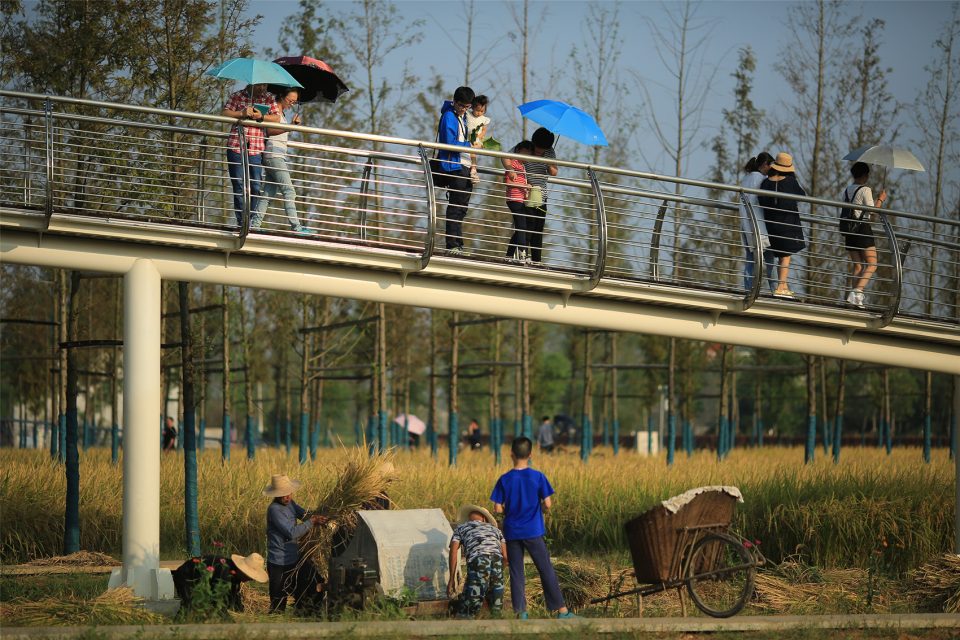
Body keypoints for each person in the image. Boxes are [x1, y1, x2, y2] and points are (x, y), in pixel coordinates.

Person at [490, 437, 575, 619]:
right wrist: (541, 510)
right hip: (533, 530)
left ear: (511, 454)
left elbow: (497, 508)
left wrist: (509, 511)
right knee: (545, 569)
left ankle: (521, 613)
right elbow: (548, 504)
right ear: (530, 455)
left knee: (516, 571)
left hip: (512, 531)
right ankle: (561, 611)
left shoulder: (504, 479)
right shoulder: (538, 477)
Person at [263, 473, 327, 613]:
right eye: (283, 495)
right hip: (279, 561)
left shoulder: (291, 504)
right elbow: (291, 532)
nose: (287, 497)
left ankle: (303, 611)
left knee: (306, 585)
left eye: (289, 493)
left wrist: (320, 515)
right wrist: (312, 522)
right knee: (278, 602)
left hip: (293, 557)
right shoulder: (274, 510)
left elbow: (304, 515)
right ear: (276, 495)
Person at [221, 84, 281, 228]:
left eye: (265, 85)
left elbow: (277, 118)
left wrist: (262, 116)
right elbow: (224, 114)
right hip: (236, 144)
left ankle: (252, 220)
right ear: (253, 83)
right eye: (261, 85)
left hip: (256, 147)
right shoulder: (237, 95)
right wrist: (241, 113)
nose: (263, 88)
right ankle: (242, 221)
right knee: (239, 184)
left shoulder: (268, 98)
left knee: (255, 185)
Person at [432, 86, 483, 255]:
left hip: (465, 165)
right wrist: (469, 145)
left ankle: (458, 244)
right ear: (454, 101)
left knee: (462, 207)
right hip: (455, 166)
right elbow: (448, 143)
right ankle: (452, 244)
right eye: (461, 106)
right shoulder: (449, 116)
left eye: (467, 106)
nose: (464, 109)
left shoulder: (463, 117)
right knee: (455, 206)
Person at [254, 87, 308, 234]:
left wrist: (292, 125)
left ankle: (255, 224)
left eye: (294, 102)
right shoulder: (274, 110)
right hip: (274, 156)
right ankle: (296, 227)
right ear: (281, 96)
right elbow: (270, 131)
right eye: (290, 100)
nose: (292, 104)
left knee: (268, 194)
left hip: (275, 156)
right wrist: (290, 127)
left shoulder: (282, 113)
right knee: (289, 191)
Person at [501, 128, 557, 265]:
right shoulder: (526, 147)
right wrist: (510, 169)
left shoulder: (550, 152)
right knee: (526, 227)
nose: (538, 151)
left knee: (538, 229)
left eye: (542, 149)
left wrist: (549, 163)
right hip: (526, 195)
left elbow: (554, 172)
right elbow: (505, 156)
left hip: (541, 196)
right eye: (537, 148)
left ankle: (537, 261)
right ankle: (519, 256)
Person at [758, 152, 807, 298]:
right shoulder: (790, 182)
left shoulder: (766, 183)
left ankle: (783, 286)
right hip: (787, 225)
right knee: (785, 256)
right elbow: (801, 195)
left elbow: (761, 200)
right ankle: (781, 286)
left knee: (780, 255)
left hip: (771, 226)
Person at [840, 162, 887, 309]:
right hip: (862, 230)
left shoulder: (847, 190)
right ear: (865, 175)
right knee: (872, 264)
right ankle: (857, 293)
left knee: (858, 266)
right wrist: (880, 199)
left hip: (850, 231)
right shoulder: (865, 189)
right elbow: (873, 212)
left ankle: (854, 300)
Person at [447, 504, 507, 618]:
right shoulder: (496, 530)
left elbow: (453, 551)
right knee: (496, 606)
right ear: (484, 519)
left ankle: (463, 631)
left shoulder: (461, 528)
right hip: (497, 560)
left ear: (469, 519)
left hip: (478, 560)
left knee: (470, 605)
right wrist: (497, 572)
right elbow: (506, 557)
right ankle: (498, 630)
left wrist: (452, 579)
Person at [171, 551, 268, 614]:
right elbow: (217, 602)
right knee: (190, 606)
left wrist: (241, 613)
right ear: (242, 570)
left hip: (202, 581)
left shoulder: (234, 575)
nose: (251, 579)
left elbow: (233, 596)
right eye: (249, 576)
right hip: (186, 577)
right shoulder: (224, 572)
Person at [740, 152, 777, 293]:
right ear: (764, 165)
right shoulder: (762, 179)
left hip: (746, 224)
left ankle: (748, 288)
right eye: (770, 165)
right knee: (770, 259)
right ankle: (775, 288)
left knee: (751, 258)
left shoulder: (746, 178)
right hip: (760, 225)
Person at [504, 140, 533, 262]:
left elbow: (520, 183)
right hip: (513, 199)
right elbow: (508, 182)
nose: (527, 156)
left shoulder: (522, 167)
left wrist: (527, 190)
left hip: (520, 199)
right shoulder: (513, 164)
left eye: (529, 154)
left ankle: (509, 255)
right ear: (518, 151)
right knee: (521, 226)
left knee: (521, 227)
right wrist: (523, 187)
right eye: (525, 153)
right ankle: (523, 253)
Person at [465, 95, 491, 185]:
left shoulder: (483, 119)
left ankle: (474, 169)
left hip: (476, 139)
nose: (479, 113)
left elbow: (484, 130)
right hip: (466, 137)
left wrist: (479, 137)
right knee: (470, 152)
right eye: (477, 110)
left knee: (472, 152)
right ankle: (472, 169)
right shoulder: (467, 114)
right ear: (472, 107)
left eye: (482, 111)